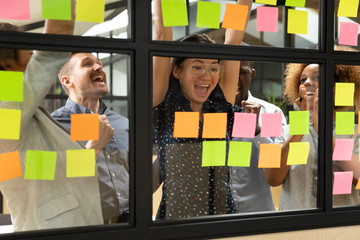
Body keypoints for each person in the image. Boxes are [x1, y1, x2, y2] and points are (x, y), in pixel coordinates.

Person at [0, 4, 111, 231]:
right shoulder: (6, 109)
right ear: (8, 64)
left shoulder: (24, 119)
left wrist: (93, 149)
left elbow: (50, 175)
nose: (33, 63)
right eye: (29, 56)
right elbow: (51, 49)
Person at [153, 0, 253, 219]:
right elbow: (162, 36)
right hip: (177, 221)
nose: (206, 76)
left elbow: (233, 40)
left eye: (213, 68)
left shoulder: (219, 106)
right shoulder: (165, 106)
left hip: (222, 218)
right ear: (177, 71)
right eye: (197, 66)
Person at [265, 55, 360, 210]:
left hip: (341, 227)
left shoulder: (355, 132)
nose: (307, 83)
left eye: (317, 77)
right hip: (296, 227)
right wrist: (300, 127)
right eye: (303, 80)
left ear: (336, 88)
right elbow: (272, 178)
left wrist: (321, 126)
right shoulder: (284, 130)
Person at [51, 52, 129, 223]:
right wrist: (95, 146)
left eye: (99, 63)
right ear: (67, 81)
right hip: (85, 226)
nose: (99, 67)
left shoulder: (123, 124)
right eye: (87, 64)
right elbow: (53, 185)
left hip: (131, 225)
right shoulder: (53, 126)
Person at [230, 60, 287, 213]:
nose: (234, 77)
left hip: (257, 213)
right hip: (216, 216)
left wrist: (258, 132)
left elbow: (274, 170)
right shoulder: (207, 113)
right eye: (228, 71)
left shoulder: (270, 114)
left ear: (252, 73)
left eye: (241, 72)